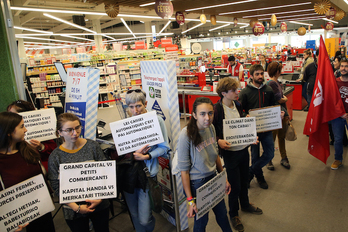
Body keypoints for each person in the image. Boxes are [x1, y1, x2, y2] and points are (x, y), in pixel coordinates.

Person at [213, 78, 262, 232]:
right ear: (223, 93)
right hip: (230, 153)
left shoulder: (238, 106)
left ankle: (245, 204)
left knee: (244, 178)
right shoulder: (217, 110)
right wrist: (218, 141)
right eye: (233, 90)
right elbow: (211, 132)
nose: (237, 92)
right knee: (234, 184)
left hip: (243, 149)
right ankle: (233, 213)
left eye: (237, 89)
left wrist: (249, 131)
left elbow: (241, 127)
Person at [177, 97, 233, 232]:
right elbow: (184, 171)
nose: (207, 118)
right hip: (198, 183)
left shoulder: (211, 128)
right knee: (201, 222)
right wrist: (190, 201)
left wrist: (223, 178)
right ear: (194, 115)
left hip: (213, 178)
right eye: (202, 114)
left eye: (210, 113)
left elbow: (214, 155)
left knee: (222, 214)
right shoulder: (186, 135)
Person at [48, 113, 110, 232]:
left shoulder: (92, 146)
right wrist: (76, 207)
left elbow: (106, 174)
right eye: (69, 130)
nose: (75, 133)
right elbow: (56, 186)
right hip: (73, 209)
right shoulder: (56, 157)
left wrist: (100, 198)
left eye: (77, 128)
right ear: (59, 132)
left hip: (99, 204)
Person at [118, 89, 170, 232]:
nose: (135, 110)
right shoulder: (126, 123)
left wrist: (147, 156)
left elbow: (165, 147)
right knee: (134, 214)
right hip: (129, 174)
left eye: (138, 106)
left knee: (144, 218)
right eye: (131, 107)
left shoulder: (156, 120)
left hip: (147, 175)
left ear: (145, 103)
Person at [0, 112, 55, 232]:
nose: (25, 130)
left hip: (40, 210)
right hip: (16, 220)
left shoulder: (27, 149)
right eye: (21, 126)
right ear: (8, 132)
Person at [238, 64, 280, 189]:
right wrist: (245, 115)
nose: (260, 76)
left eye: (262, 73)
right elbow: (239, 110)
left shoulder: (268, 90)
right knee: (254, 156)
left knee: (270, 154)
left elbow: (274, 104)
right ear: (251, 76)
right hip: (252, 130)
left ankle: (250, 172)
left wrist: (280, 112)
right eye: (257, 74)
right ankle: (260, 177)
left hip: (266, 128)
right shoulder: (245, 92)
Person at [7, 100, 57, 170]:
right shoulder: (9, 134)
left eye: (13, 115)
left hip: (41, 169)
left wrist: (41, 147)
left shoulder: (42, 129)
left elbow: (53, 149)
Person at [267, 62, 291, 170]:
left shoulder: (275, 83)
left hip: (280, 113)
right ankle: (269, 159)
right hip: (274, 114)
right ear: (277, 71)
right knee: (272, 137)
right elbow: (279, 99)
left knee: (281, 136)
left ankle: (283, 157)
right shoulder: (272, 83)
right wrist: (285, 99)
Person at [330, 58, 348, 170]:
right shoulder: (335, 82)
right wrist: (341, 113)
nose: (343, 68)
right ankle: (338, 159)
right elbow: (331, 101)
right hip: (337, 116)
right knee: (338, 139)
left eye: (346, 66)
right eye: (342, 66)